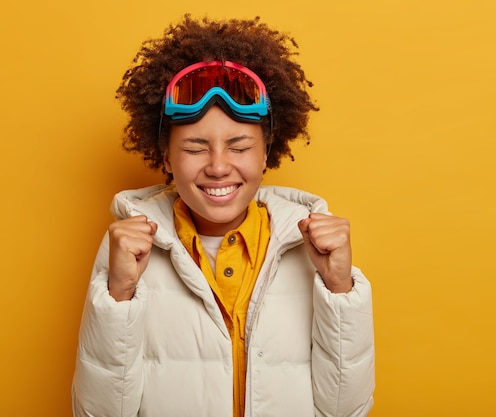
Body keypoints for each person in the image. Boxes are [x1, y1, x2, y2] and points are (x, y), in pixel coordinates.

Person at [72, 15, 375, 417]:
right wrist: (118, 294)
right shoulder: (128, 250)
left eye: (239, 146)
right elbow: (97, 413)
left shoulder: (314, 248)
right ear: (166, 156)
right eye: (196, 148)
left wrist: (339, 290)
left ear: (267, 152)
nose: (218, 167)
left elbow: (347, 411)